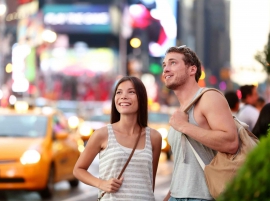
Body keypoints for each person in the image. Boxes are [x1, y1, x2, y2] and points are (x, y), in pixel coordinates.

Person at [161, 45, 239, 201]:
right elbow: (182, 168)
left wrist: (184, 126)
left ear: (192, 70)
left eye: (173, 63)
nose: (166, 69)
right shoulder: (180, 111)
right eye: (164, 65)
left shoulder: (209, 98)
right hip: (176, 195)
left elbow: (231, 142)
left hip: (203, 196)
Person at [73, 76, 162, 201]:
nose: (123, 96)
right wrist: (101, 184)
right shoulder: (102, 134)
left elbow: (149, 182)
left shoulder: (154, 137)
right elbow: (78, 170)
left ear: (141, 98)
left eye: (131, 92)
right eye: (119, 92)